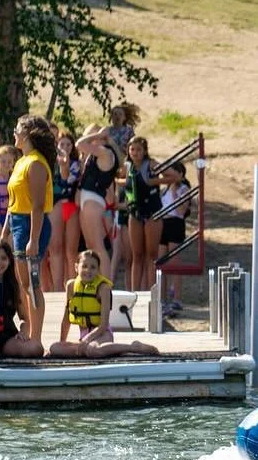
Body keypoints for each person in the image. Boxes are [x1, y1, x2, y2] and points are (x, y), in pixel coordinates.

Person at [48, 250, 158, 359]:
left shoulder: (103, 288)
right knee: (54, 348)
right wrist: (62, 342)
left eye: (93, 267)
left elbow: (103, 325)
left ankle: (133, 347)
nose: (88, 270)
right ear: (76, 267)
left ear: (98, 270)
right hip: (84, 336)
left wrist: (86, 339)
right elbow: (66, 319)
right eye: (84, 266)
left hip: (102, 334)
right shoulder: (71, 286)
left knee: (93, 351)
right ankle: (93, 349)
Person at [7, 114, 56, 342]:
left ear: (27, 133)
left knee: (33, 284)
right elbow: (13, 201)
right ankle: (29, 336)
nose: (14, 132)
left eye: (18, 129)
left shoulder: (36, 163)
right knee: (24, 284)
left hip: (31, 224)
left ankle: (36, 339)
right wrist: (5, 231)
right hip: (18, 222)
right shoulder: (21, 161)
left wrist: (33, 239)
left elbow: (37, 205)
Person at [124, 136, 181, 291]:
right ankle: (135, 292)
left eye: (139, 150)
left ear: (145, 151)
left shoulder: (151, 164)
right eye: (132, 149)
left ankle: (151, 292)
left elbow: (174, 176)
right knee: (137, 255)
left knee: (151, 255)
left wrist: (153, 181)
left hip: (152, 213)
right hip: (134, 213)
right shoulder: (127, 167)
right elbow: (124, 182)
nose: (135, 153)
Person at [75, 124, 122, 279]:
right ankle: (95, 283)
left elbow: (79, 144)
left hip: (93, 200)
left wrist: (98, 136)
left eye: (90, 136)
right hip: (88, 199)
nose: (89, 140)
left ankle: (106, 285)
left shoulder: (104, 152)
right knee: (91, 247)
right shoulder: (100, 154)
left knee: (98, 247)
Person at [159, 161, 191, 313]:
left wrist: (173, 189)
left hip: (176, 224)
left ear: (180, 174)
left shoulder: (184, 189)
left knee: (174, 263)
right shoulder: (163, 190)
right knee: (161, 263)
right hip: (163, 224)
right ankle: (162, 298)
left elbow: (180, 211)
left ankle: (177, 298)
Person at [52, 130, 82, 291]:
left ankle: (72, 285)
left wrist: (66, 163)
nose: (65, 147)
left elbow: (70, 179)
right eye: (62, 144)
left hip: (71, 206)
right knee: (55, 248)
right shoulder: (51, 162)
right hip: (56, 205)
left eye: (68, 144)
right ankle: (57, 288)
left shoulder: (77, 164)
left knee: (71, 250)